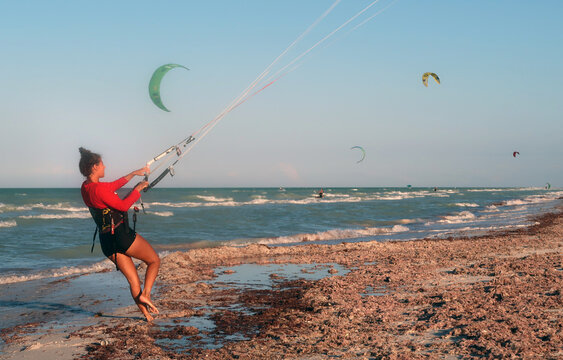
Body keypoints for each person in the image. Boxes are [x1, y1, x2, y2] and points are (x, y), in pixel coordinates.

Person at [79, 147, 160, 322]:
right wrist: (137, 189)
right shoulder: (98, 190)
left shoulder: (86, 187)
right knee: (154, 260)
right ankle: (146, 294)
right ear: (94, 167)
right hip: (121, 236)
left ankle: (147, 315)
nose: (105, 167)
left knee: (133, 281)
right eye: (102, 164)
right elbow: (123, 207)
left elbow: (112, 186)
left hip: (107, 242)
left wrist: (133, 174)